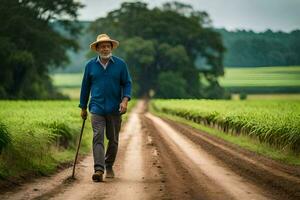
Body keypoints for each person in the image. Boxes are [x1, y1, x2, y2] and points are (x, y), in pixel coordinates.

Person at [79, 33, 132, 182]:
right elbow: (85, 87)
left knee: (113, 139)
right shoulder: (90, 66)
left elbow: (127, 83)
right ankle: (99, 169)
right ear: (97, 49)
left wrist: (125, 100)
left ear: (111, 47)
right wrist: (83, 107)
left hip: (115, 108)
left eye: (107, 46)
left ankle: (108, 165)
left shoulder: (120, 64)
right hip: (96, 108)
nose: (105, 48)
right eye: (102, 46)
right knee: (98, 137)